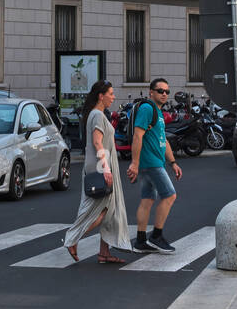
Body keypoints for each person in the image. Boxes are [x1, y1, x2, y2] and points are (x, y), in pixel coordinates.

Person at [63, 80, 131, 264]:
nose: (113, 96)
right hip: (100, 166)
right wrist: (106, 168)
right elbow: (97, 142)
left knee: (107, 210)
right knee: (102, 210)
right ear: (101, 96)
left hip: (98, 165)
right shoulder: (98, 116)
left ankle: (104, 253)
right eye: (110, 93)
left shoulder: (96, 114)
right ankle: (73, 239)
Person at [127, 78, 181, 254]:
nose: (164, 94)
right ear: (151, 92)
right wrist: (134, 163)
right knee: (170, 196)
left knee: (148, 199)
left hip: (154, 162)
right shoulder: (147, 108)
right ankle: (156, 236)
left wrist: (173, 162)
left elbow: (163, 139)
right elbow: (137, 136)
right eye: (160, 91)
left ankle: (141, 241)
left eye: (167, 91)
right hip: (150, 163)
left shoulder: (157, 112)